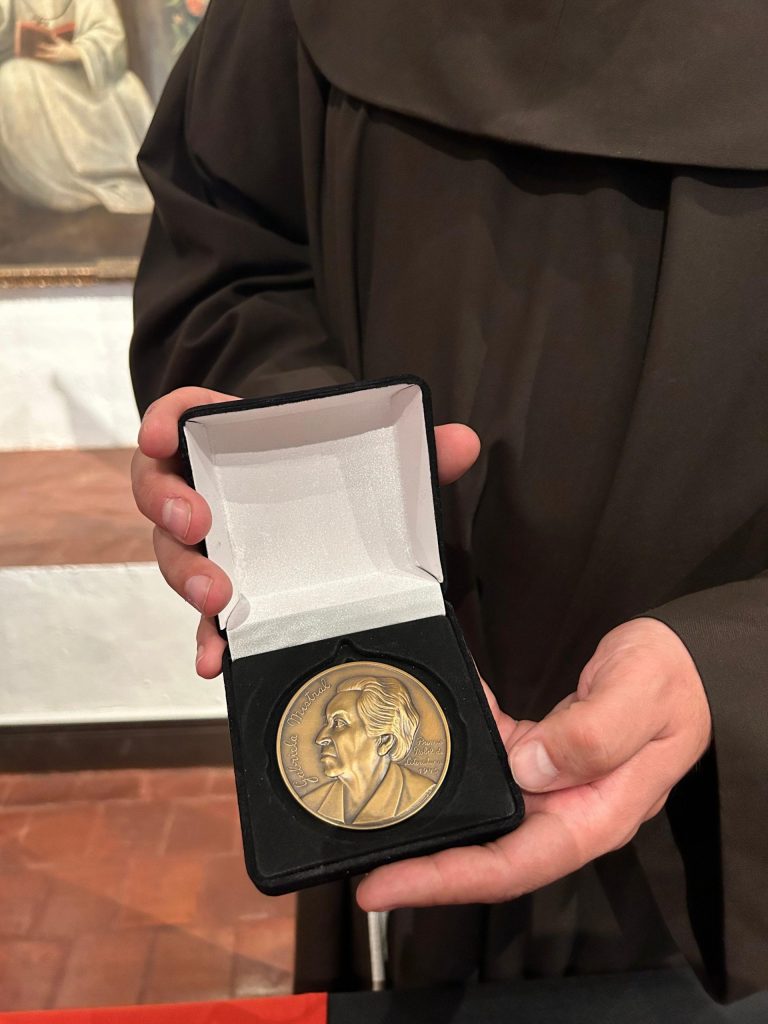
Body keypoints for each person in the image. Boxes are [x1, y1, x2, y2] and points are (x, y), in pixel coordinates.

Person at [129, 0, 768, 1002]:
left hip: (722, 811)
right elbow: (227, 252)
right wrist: (284, 477)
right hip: (381, 669)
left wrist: (734, 664)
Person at [0, 0, 153, 213]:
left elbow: (110, 35)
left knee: (125, 89)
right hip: (36, 76)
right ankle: (51, 180)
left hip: (83, 79)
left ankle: (98, 172)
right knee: (11, 78)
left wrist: (75, 51)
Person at [306, 676, 434, 827]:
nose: (320, 738)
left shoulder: (419, 793)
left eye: (339, 723)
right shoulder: (314, 800)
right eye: (326, 723)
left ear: (385, 741)